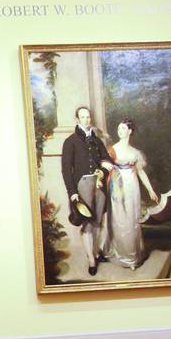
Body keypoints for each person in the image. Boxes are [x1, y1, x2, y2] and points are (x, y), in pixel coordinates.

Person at [61, 106, 112, 276]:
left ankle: (96, 251)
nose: (86, 120)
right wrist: (72, 193)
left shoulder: (97, 141)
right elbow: (66, 170)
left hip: (98, 185)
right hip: (82, 185)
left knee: (98, 221)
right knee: (87, 223)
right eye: (82, 117)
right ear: (77, 120)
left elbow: (107, 160)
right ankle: (91, 258)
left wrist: (102, 172)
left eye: (88, 117)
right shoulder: (70, 141)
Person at [102, 119, 159, 269]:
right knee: (120, 219)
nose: (119, 131)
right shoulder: (112, 149)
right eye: (118, 129)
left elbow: (140, 172)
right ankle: (122, 255)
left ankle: (132, 256)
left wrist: (150, 189)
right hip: (117, 187)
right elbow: (104, 167)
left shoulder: (135, 153)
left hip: (132, 187)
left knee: (132, 219)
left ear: (130, 131)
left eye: (123, 129)